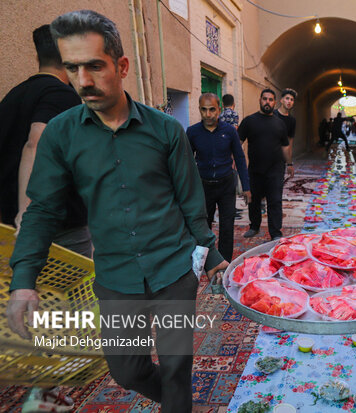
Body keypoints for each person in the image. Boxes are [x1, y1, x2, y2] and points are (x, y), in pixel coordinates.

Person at [5, 10, 228, 413]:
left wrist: (211, 255)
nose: (83, 81)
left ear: (121, 65)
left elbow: (191, 202)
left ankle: (178, 403)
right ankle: (180, 402)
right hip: (115, 278)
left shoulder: (165, 131)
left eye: (94, 65)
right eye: (72, 68)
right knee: (127, 371)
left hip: (174, 273)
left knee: (177, 367)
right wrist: (24, 280)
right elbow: (42, 209)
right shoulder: (61, 133)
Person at [0, 23, 89, 413]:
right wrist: (28, 214)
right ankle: (48, 393)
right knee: (67, 309)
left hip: (12, 228)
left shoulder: (13, 96)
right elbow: (37, 142)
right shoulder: (58, 94)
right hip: (56, 230)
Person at [186, 93, 250, 262]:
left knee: (227, 226)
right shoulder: (192, 132)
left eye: (212, 109)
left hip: (226, 186)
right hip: (204, 187)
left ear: (219, 110)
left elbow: (240, 158)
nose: (208, 114)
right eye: (204, 110)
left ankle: (224, 262)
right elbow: (186, 161)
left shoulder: (229, 131)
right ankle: (206, 262)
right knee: (203, 227)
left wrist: (246, 186)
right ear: (199, 110)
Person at [239, 88, 292, 241]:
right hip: (255, 170)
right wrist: (236, 161)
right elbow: (238, 143)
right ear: (260, 100)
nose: (267, 102)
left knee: (275, 201)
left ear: (274, 102)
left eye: (270, 99)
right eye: (264, 99)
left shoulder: (280, 124)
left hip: (275, 170)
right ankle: (254, 226)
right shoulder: (249, 121)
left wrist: (289, 164)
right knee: (253, 200)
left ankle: (275, 232)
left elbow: (284, 146)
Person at [275, 88, 297, 178]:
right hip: (267, 156)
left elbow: (289, 142)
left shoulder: (292, 120)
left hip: (280, 159)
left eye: (292, 100)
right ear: (281, 100)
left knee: (278, 186)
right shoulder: (272, 115)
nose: (289, 101)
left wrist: (289, 163)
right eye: (287, 98)